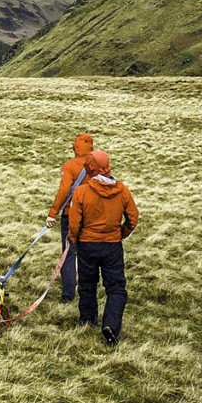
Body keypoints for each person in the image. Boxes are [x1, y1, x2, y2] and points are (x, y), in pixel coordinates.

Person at [69, 150, 138, 346]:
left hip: (87, 245)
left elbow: (74, 223)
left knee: (87, 284)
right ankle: (111, 325)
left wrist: (74, 239)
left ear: (89, 169)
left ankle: (88, 320)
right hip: (112, 246)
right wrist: (121, 233)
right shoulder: (122, 190)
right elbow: (133, 218)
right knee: (116, 288)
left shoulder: (81, 192)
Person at [46, 134, 94, 303]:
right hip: (91, 215)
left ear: (75, 148)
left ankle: (68, 294)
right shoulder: (97, 165)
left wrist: (53, 213)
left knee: (68, 252)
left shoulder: (70, 166)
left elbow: (64, 190)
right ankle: (88, 291)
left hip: (70, 214)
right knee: (88, 253)